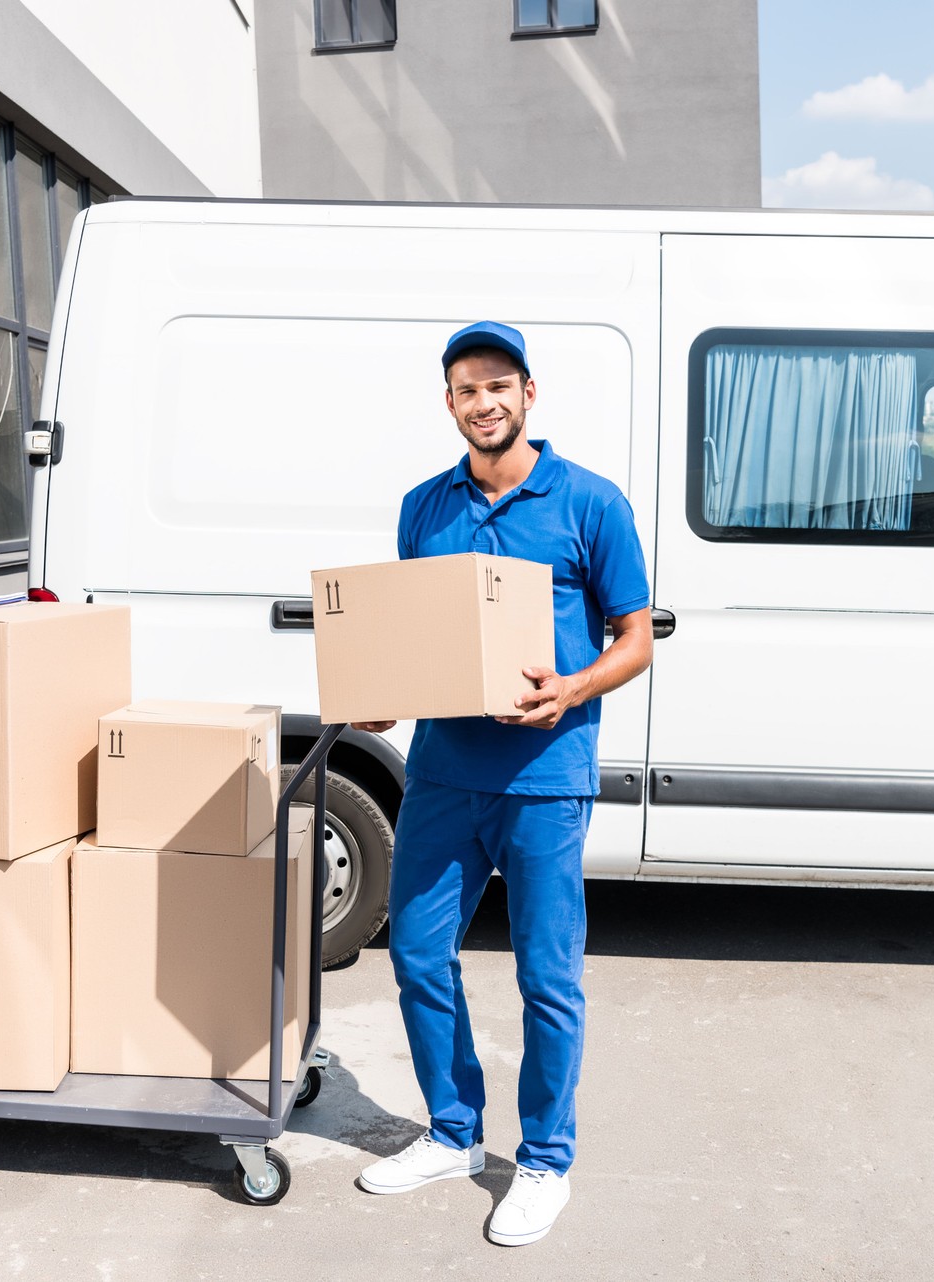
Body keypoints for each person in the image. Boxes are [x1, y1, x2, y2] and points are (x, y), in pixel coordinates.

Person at [352, 321, 653, 1247]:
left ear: (529, 395)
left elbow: (635, 639)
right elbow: (418, 631)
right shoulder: (423, 506)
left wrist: (573, 687)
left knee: (547, 980)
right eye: (464, 389)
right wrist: (383, 696)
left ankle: (545, 1160)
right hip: (443, 773)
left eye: (498, 385)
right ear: (449, 405)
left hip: (545, 781)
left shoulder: (591, 503)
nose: (482, 402)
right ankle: (450, 1132)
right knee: (417, 958)